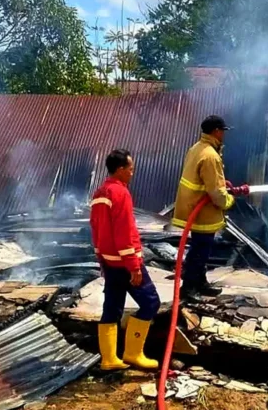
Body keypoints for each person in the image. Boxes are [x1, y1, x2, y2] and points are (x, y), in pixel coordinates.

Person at [90, 149, 161, 371]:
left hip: (110, 263)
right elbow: (124, 233)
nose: (133, 173)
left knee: (112, 307)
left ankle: (109, 359)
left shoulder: (100, 193)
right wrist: (134, 267)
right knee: (151, 302)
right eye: (130, 169)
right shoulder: (120, 194)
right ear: (120, 170)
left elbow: (96, 230)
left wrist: (101, 260)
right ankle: (133, 353)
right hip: (124, 263)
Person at [172, 115, 236, 297]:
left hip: (194, 207)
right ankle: (189, 288)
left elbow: (208, 180)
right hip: (202, 213)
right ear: (216, 131)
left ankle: (200, 283)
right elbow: (216, 193)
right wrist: (228, 201)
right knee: (199, 252)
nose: (224, 134)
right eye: (223, 131)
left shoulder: (197, 148)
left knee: (200, 250)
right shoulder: (211, 156)